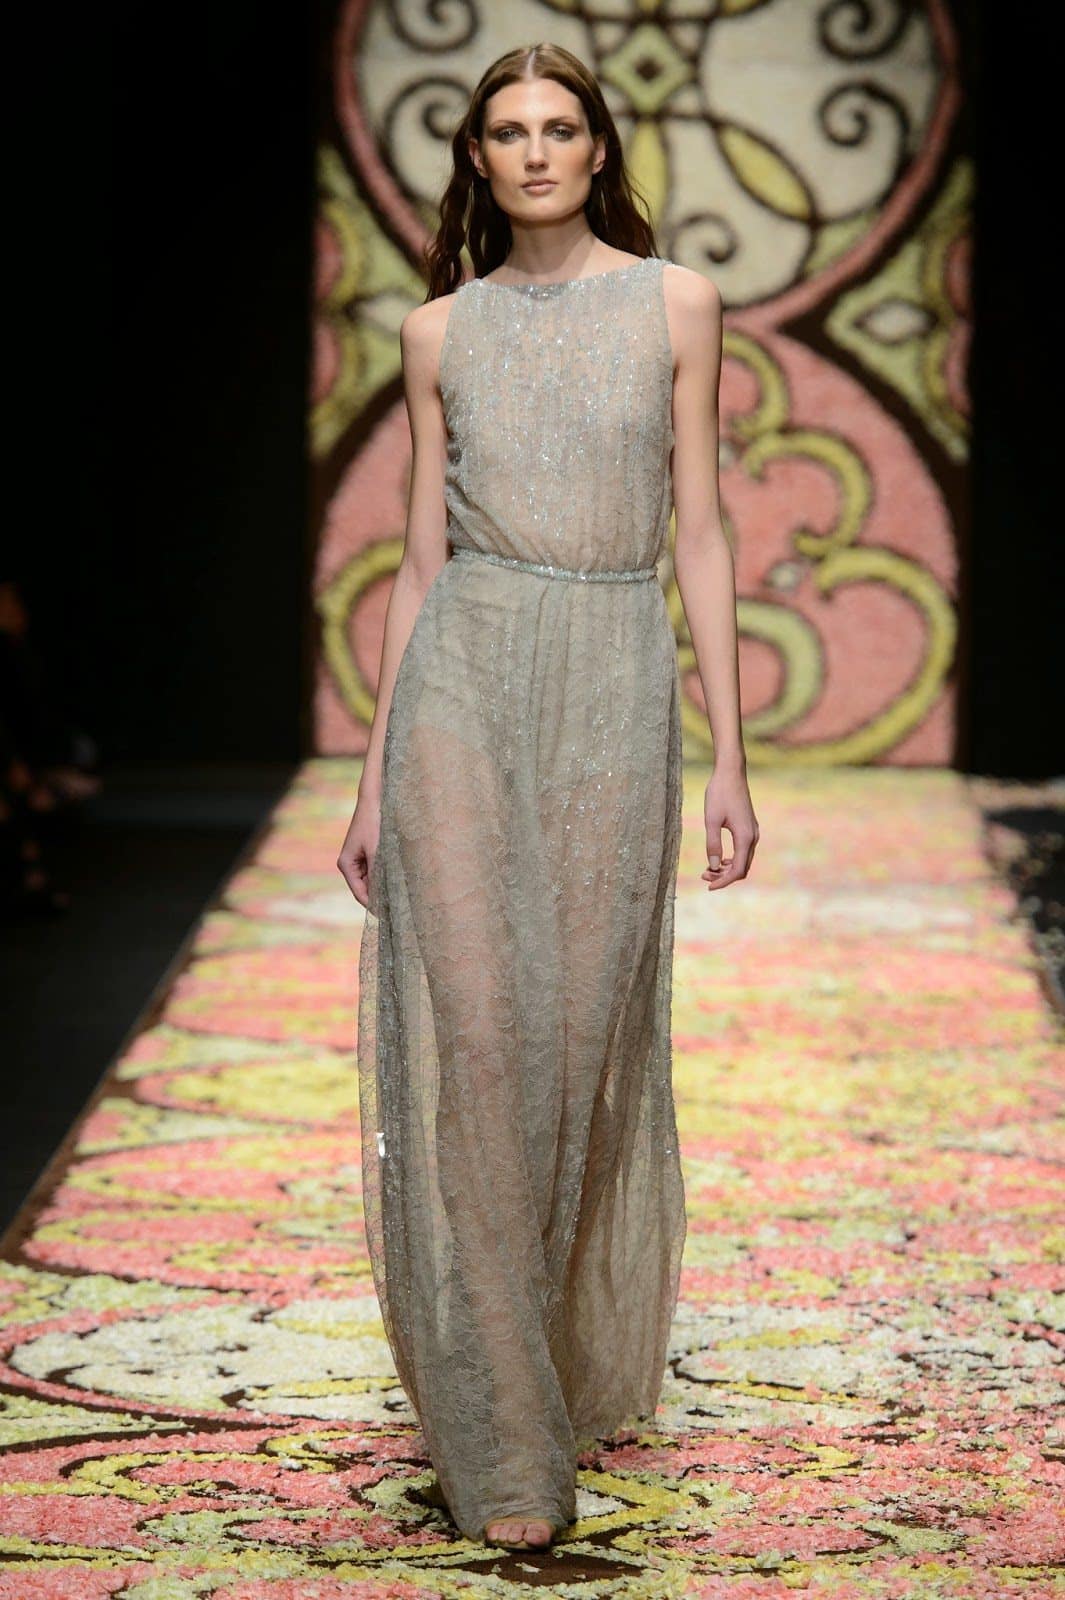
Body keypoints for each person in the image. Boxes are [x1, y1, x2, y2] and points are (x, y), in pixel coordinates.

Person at [337, 40, 758, 1552]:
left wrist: (731, 752)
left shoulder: (676, 304)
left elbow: (700, 530)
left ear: (596, 149)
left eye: (558, 127)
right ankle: (504, 1438)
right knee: (478, 1045)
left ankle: (535, 1358)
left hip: (610, 678)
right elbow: (418, 559)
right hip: (463, 678)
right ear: (477, 157)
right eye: (507, 130)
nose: (532, 151)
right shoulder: (435, 331)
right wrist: (373, 778)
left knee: (575, 1045)